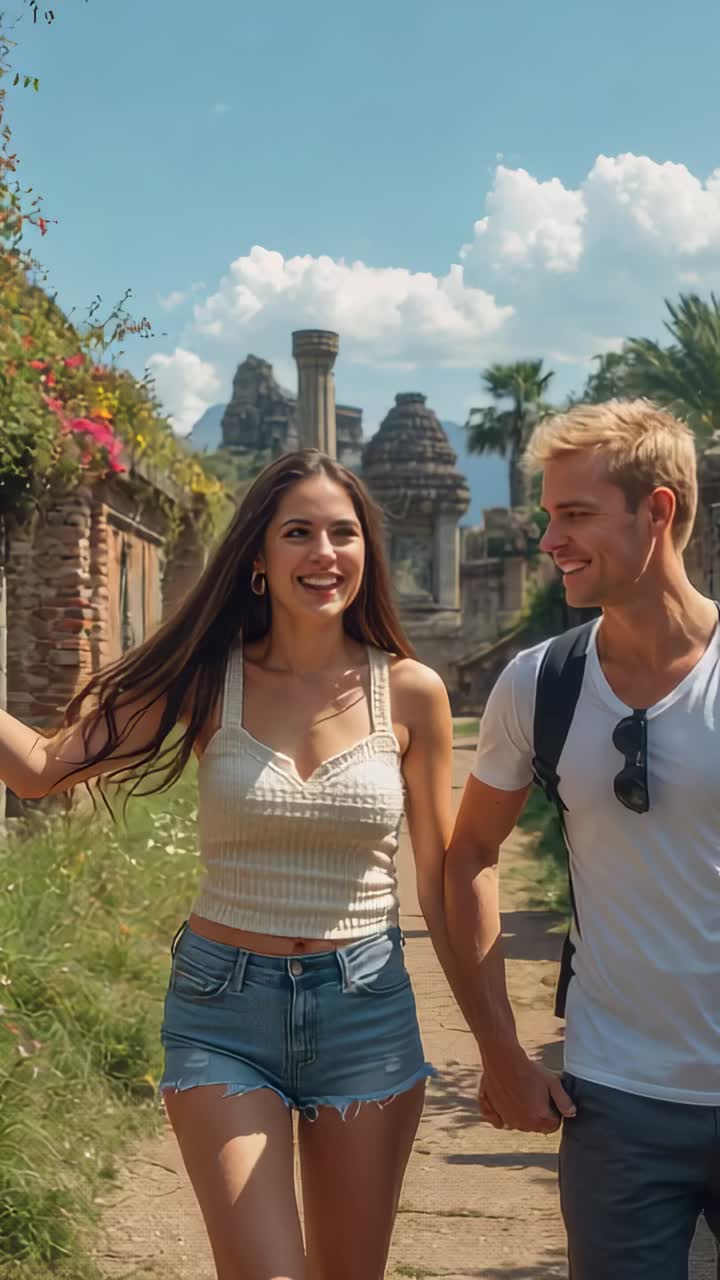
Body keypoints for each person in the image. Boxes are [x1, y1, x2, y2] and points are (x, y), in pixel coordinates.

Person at [0, 450, 457, 1280]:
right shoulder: (208, 681)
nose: (324, 552)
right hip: (223, 1010)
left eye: (342, 533)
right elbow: (40, 769)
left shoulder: (413, 692)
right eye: (298, 532)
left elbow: (451, 884)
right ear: (257, 556)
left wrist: (497, 1046)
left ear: (366, 552)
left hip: (365, 1011)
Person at [444, 401, 720, 1280]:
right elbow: (468, 858)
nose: (550, 539)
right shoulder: (540, 684)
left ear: (660, 510)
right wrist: (499, 1053)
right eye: (546, 515)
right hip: (614, 1105)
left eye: (575, 514)